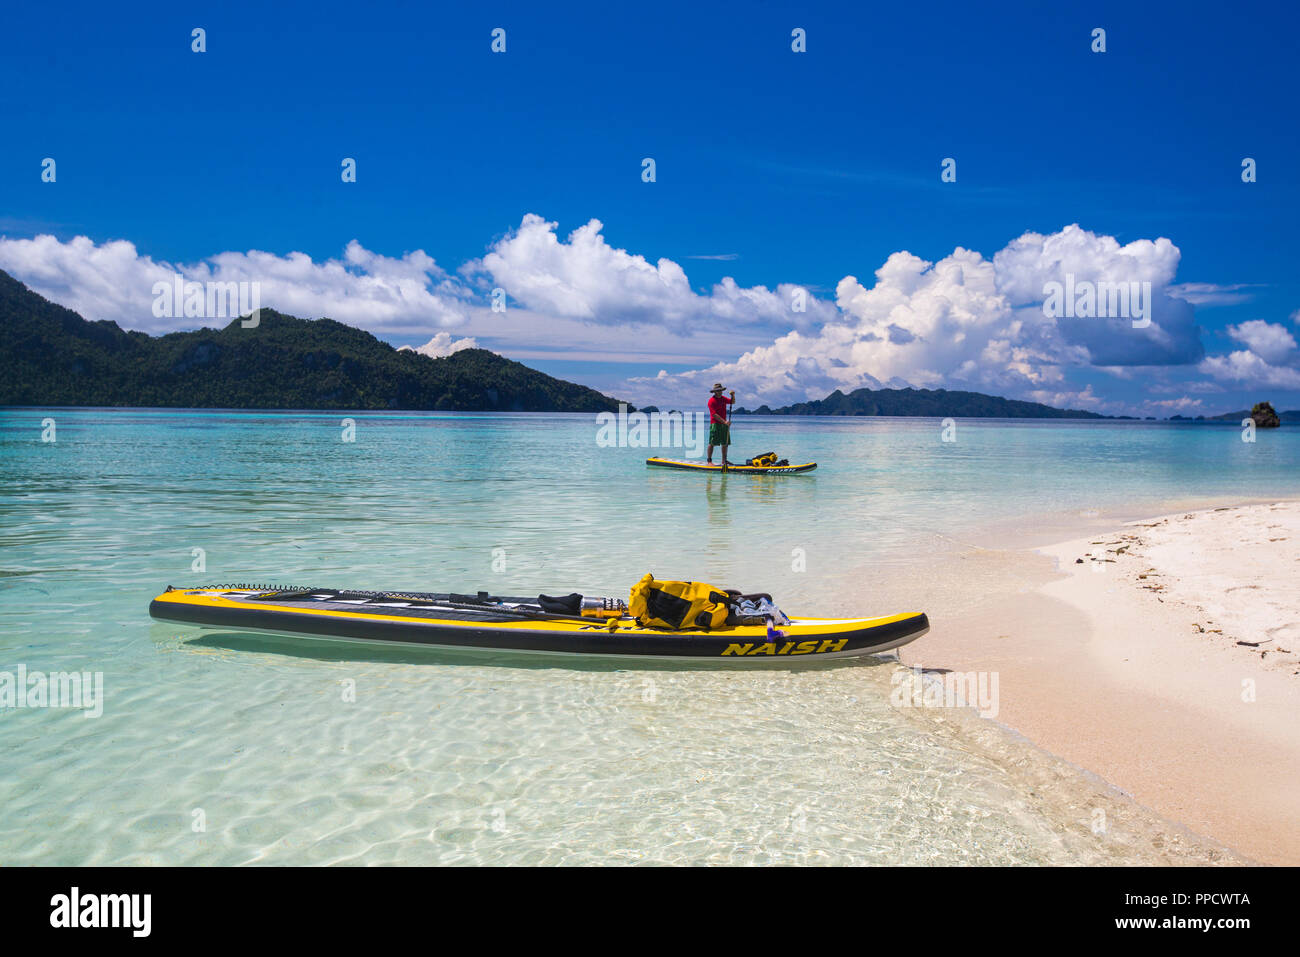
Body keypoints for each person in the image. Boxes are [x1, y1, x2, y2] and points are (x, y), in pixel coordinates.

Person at [706, 383, 735, 467]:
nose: (720, 392)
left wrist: (733, 395)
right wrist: (725, 422)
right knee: (712, 442)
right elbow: (714, 414)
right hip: (715, 424)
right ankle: (709, 461)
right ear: (714, 392)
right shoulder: (711, 401)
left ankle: (724, 461)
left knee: (725, 442)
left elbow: (732, 402)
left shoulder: (723, 398)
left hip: (724, 424)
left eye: (721, 390)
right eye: (718, 391)